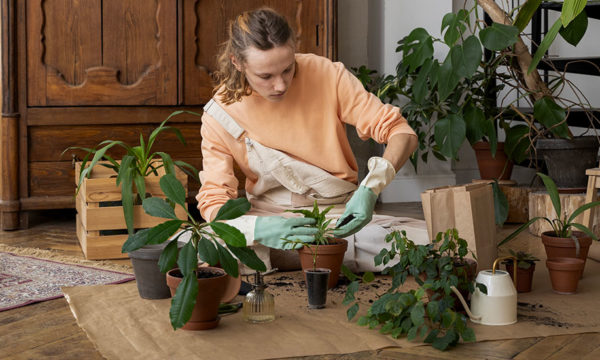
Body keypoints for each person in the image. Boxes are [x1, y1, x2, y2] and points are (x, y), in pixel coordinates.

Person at [196, 7, 424, 272]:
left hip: (338, 217)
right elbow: (214, 201)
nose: (280, 85)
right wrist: (257, 230)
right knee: (206, 248)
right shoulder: (220, 113)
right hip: (269, 220)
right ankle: (329, 254)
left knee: (430, 245)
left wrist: (370, 189)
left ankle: (304, 254)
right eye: (265, 76)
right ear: (237, 62)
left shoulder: (327, 74)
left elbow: (401, 133)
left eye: (288, 69)